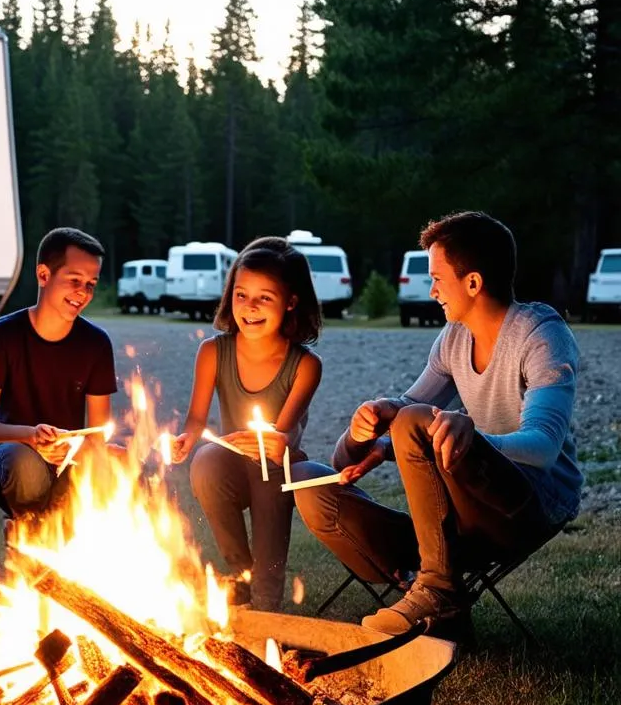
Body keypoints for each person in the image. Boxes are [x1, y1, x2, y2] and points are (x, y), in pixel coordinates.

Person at [294, 211, 582, 638]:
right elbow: (406, 412)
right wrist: (367, 431)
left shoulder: (540, 336)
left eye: (437, 279)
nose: (430, 291)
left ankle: (439, 592)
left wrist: (470, 435)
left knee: (414, 421)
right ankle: (432, 577)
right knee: (310, 483)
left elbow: (542, 447)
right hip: (459, 518)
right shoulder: (454, 338)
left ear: (473, 282)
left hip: (531, 503)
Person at [172, 236, 323, 611]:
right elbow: (196, 419)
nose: (250, 307)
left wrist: (278, 441)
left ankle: (267, 596)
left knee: (268, 472)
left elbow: (283, 436)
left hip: (278, 463)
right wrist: (186, 439)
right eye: (241, 295)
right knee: (205, 461)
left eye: (264, 298)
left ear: (291, 301)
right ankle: (242, 574)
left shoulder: (304, 365)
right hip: (229, 465)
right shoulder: (213, 352)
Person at [0, 227, 118, 522]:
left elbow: (98, 433)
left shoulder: (96, 343)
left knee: (122, 461)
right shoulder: (3, 335)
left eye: (91, 284)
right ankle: (29, 530)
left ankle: (49, 538)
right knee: (24, 467)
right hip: (14, 456)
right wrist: (31, 436)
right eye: (74, 280)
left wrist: (78, 450)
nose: (83, 292)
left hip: (70, 456)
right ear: (43, 275)